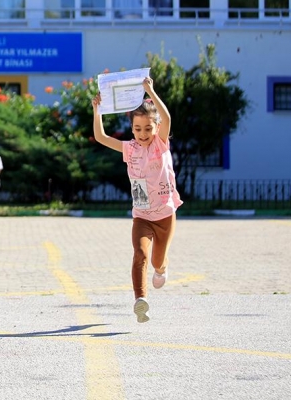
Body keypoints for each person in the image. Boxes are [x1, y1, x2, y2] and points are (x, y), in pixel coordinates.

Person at [91, 76, 182, 323]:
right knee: (139, 254)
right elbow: (101, 137)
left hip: (165, 214)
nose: (143, 134)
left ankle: (162, 268)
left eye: (148, 128)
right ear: (132, 129)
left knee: (157, 261)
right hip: (142, 215)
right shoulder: (129, 149)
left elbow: (167, 118)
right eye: (138, 129)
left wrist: (150, 91)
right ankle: (140, 299)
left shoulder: (160, 145)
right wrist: (97, 110)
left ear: (156, 128)